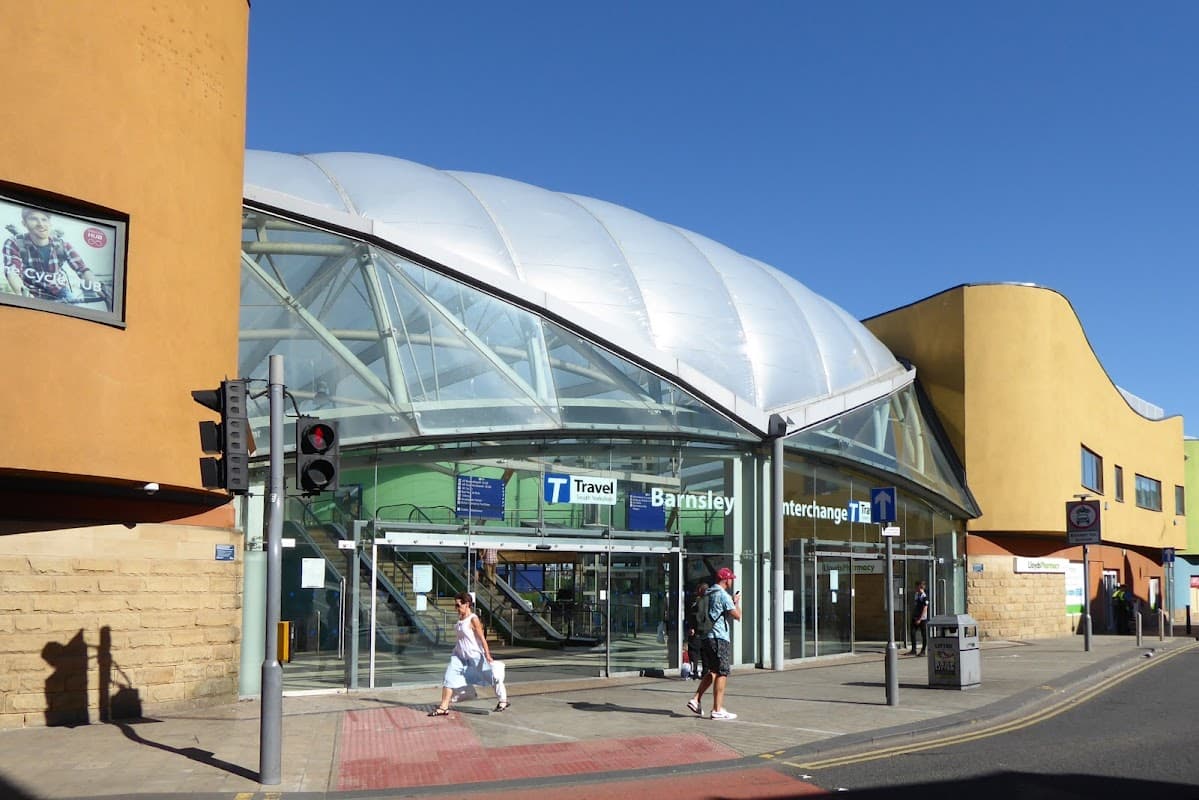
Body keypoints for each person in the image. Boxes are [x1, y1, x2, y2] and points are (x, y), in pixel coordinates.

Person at [2, 208, 108, 307]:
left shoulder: (63, 246)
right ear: (24, 223)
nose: (40, 224)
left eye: (44, 219)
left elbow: (82, 270)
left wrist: (98, 289)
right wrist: (24, 295)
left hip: (60, 293)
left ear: (50, 223)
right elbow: (12, 272)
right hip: (31, 293)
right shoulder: (14, 242)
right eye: (33, 219)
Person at [428, 592, 509, 716]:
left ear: (467, 604)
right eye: (455, 605)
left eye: (458, 605)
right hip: (459, 656)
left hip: (474, 655)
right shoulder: (460, 618)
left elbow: (482, 639)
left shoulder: (473, 619)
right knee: (448, 679)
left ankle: (503, 700)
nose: (456, 608)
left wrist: (487, 655)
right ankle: (443, 707)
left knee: (492, 678)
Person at [687, 567, 741, 720]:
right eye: (731, 578)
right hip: (719, 637)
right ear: (725, 579)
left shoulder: (708, 593)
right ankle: (717, 709)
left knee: (714, 670)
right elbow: (737, 616)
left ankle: (696, 699)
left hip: (706, 636)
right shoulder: (723, 595)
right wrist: (736, 603)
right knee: (722, 672)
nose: (732, 581)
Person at [685, 582, 708, 680]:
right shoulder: (710, 601)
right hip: (707, 630)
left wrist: (692, 627)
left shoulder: (698, 602)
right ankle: (705, 672)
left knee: (694, 651)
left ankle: (694, 672)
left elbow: (694, 615)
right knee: (705, 652)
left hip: (698, 630)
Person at [908, 580, 929, 656]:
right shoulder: (917, 594)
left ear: (919, 587)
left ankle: (923, 651)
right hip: (915, 616)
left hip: (922, 618)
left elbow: (925, 608)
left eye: (916, 587)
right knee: (912, 633)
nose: (915, 588)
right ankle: (913, 650)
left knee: (924, 634)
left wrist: (920, 619)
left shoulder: (924, 596)